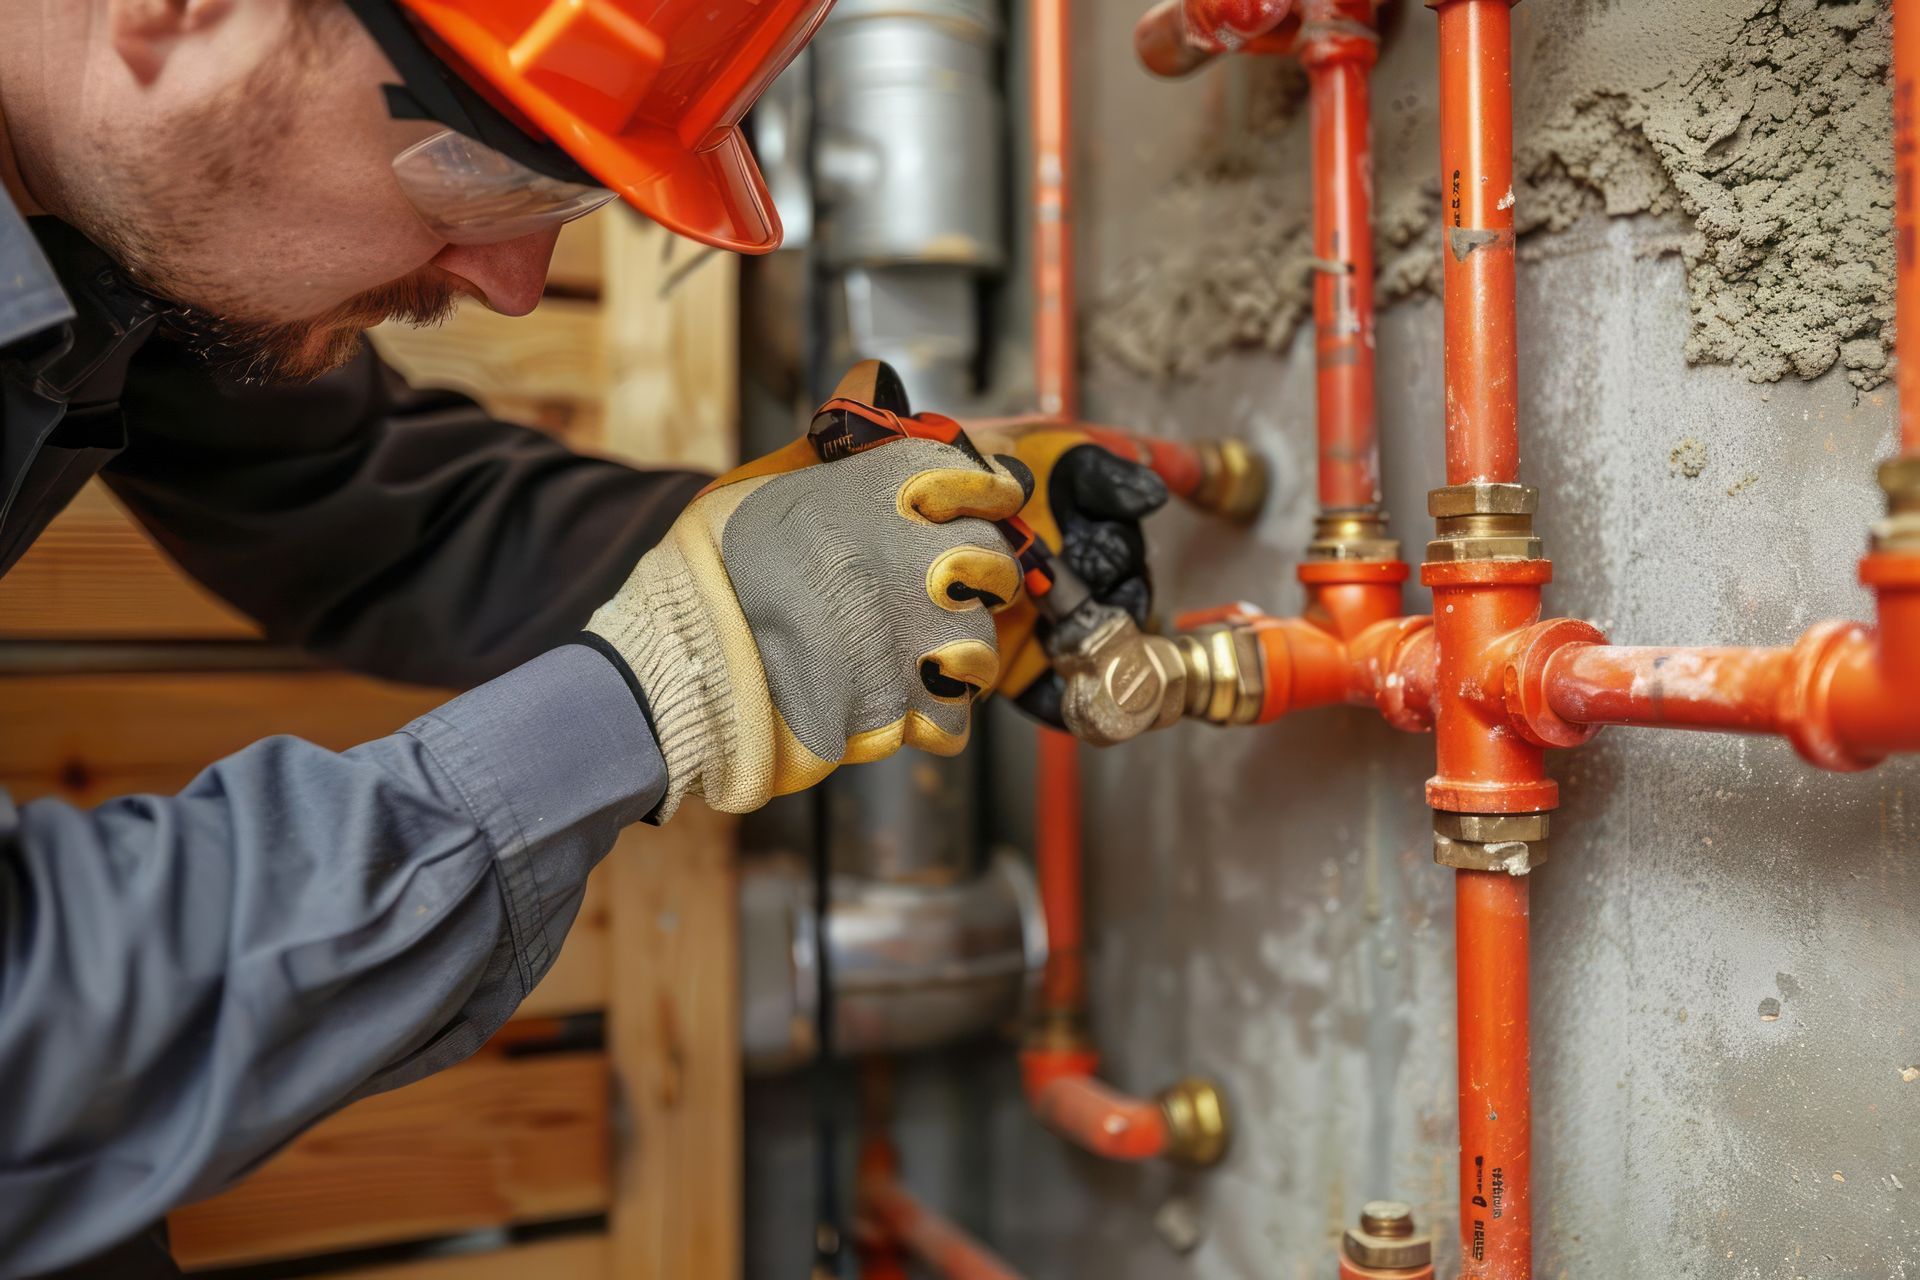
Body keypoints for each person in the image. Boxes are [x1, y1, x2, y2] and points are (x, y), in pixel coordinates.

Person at [0, 2, 1167, 1275]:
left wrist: (817, 549)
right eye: (475, 166)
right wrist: (663, 689)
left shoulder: (128, 217)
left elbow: (362, 504)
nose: (513, 284)